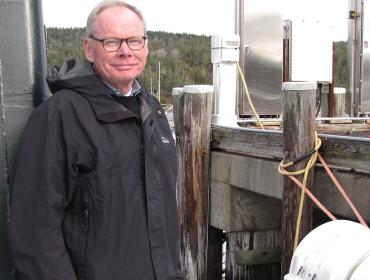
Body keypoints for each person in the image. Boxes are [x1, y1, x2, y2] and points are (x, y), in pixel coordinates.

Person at [8, 1, 183, 279]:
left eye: (135, 41)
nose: (126, 51)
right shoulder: (61, 115)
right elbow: (34, 228)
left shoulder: (153, 111)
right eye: (111, 42)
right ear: (89, 48)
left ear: (145, 46)